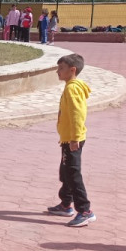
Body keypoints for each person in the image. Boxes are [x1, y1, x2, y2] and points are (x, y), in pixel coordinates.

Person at [46, 54, 96, 227]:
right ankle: (66, 204)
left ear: (72, 70)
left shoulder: (72, 89)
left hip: (72, 139)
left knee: (73, 174)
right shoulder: (71, 86)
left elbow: (77, 115)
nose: (58, 72)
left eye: (61, 68)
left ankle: (85, 211)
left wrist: (74, 138)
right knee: (65, 171)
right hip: (68, 138)